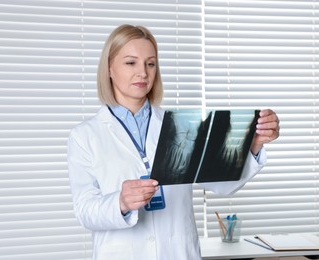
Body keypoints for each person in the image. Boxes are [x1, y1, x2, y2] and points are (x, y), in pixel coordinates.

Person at [67, 24, 280, 260]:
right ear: (109, 68)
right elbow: (85, 210)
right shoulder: (85, 135)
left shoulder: (181, 127)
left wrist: (254, 144)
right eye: (131, 62)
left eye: (150, 63)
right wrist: (121, 202)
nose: (143, 73)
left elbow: (222, 185)